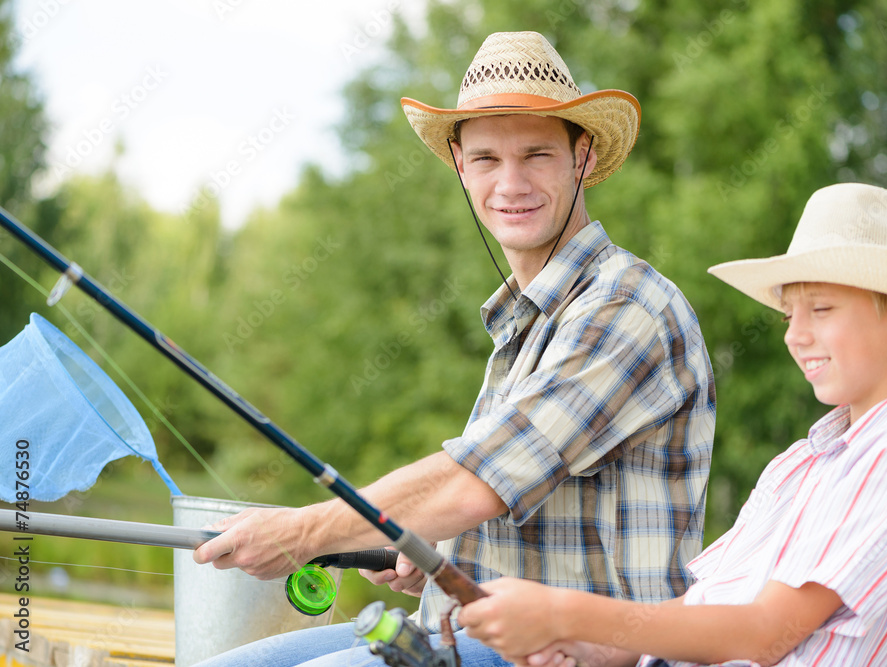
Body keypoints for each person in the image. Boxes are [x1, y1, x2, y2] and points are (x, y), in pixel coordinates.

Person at [191, 31, 715, 667]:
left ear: (583, 156)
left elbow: (477, 483)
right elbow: (509, 499)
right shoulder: (527, 319)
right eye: (488, 159)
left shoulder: (625, 309)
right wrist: (424, 555)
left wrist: (304, 533)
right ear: (461, 167)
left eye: (537, 155)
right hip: (461, 630)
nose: (511, 183)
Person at [456, 182, 887, 667]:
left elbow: (765, 634)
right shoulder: (802, 463)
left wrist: (563, 614)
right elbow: (706, 606)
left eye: (822, 310)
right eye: (790, 315)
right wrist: (593, 648)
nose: (794, 335)